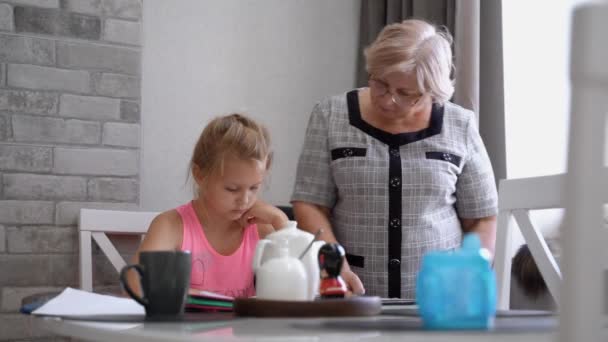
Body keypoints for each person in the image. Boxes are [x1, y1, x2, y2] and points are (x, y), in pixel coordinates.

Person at [291, 19, 498, 299]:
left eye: (405, 93)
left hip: (435, 297)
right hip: (351, 295)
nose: (388, 100)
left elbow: (482, 218)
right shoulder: (330, 115)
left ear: (432, 90)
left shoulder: (459, 125)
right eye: (381, 84)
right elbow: (311, 203)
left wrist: (468, 275)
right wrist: (334, 268)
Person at [127, 113, 289, 298]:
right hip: (183, 327)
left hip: (243, 328)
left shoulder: (260, 227)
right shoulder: (172, 225)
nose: (245, 200)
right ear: (200, 174)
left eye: (254, 188)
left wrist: (281, 221)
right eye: (232, 189)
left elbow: (307, 285)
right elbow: (135, 284)